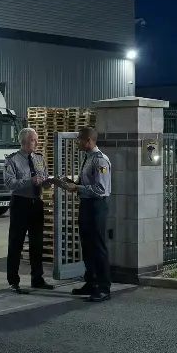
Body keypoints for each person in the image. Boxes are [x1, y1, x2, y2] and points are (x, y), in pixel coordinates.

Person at [3, 127, 56, 294]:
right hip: (20, 204)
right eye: (34, 140)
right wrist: (30, 181)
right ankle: (13, 281)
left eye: (37, 139)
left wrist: (47, 182)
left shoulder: (39, 158)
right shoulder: (12, 160)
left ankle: (37, 278)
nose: (37, 142)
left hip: (36, 203)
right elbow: (10, 184)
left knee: (37, 243)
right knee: (16, 243)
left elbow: (43, 176)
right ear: (24, 141)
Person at [63, 127, 112, 302]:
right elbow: (87, 182)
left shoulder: (100, 161)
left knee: (98, 247)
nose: (77, 142)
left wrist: (77, 187)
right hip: (86, 205)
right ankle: (91, 282)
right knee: (87, 246)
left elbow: (101, 189)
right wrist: (72, 183)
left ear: (88, 140)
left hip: (96, 207)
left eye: (79, 140)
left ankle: (104, 287)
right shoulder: (88, 158)